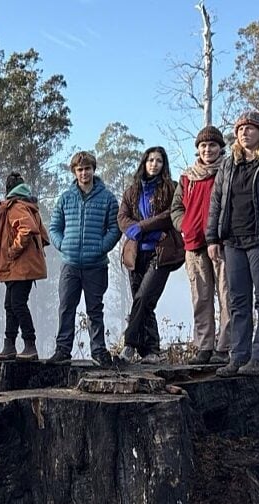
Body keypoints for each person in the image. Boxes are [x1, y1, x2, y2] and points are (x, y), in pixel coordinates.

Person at [205, 110, 259, 376]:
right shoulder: (228, 165)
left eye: (250, 128)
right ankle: (238, 357)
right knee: (237, 301)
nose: (244, 133)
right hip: (233, 242)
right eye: (240, 129)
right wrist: (212, 238)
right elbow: (216, 202)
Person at [46, 151, 121, 367]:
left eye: (87, 168)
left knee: (94, 309)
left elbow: (115, 228)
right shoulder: (65, 198)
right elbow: (54, 227)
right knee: (66, 307)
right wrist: (63, 245)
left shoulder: (107, 198)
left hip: (96, 265)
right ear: (74, 172)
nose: (84, 173)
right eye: (79, 169)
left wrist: (101, 247)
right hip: (70, 264)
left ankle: (98, 351)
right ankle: (62, 350)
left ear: (93, 170)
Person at [171, 125, 232, 365]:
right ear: (198, 149)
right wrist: (184, 226)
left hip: (223, 242)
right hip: (194, 244)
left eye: (213, 145)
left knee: (227, 295)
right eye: (203, 146)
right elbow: (176, 208)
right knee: (201, 296)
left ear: (220, 148)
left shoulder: (227, 171)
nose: (208, 149)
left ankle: (225, 347)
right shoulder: (187, 176)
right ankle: (204, 346)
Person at [117, 147, 182, 364]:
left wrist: (142, 227)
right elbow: (123, 217)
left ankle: (129, 345)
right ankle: (151, 351)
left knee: (143, 297)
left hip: (161, 252)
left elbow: (169, 216)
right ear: (144, 163)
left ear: (164, 165)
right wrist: (134, 229)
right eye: (151, 160)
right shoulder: (132, 191)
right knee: (144, 303)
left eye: (159, 161)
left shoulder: (170, 188)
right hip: (135, 254)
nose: (154, 164)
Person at [0, 172, 48, 361]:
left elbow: (27, 229)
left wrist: (12, 251)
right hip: (21, 268)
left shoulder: (16, 205)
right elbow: (44, 236)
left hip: (20, 266)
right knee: (10, 305)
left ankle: (30, 345)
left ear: (8, 189)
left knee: (17, 304)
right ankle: (10, 346)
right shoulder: (29, 205)